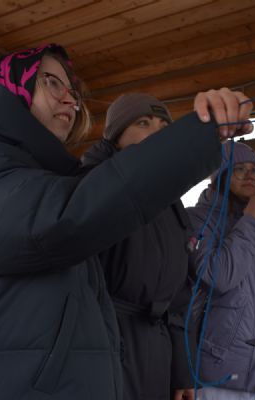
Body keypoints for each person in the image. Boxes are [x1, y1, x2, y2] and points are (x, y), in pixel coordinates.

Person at [0, 44, 252, 400]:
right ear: (12, 85)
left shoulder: (42, 175)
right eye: (51, 83)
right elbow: (66, 218)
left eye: (72, 92)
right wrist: (194, 136)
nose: (70, 100)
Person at [80, 93, 200, 400]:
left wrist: (181, 371)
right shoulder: (92, 186)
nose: (157, 133)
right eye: (144, 123)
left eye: (163, 126)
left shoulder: (170, 200)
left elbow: (180, 297)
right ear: (116, 136)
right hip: (105, 348)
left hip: (157, 352)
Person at [186, 141, 255, 400]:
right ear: (220, 175)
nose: (250, 175)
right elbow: (218, 276)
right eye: (239, 169)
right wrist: (251, 221)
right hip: (219, 375)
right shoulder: (198, 219)